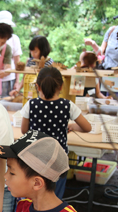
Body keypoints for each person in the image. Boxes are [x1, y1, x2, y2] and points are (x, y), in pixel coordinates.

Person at [20, 67, 92, 199]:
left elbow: (24, 131)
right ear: (61, 86)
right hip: (58, 159)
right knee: (55, 197)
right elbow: (87, 127)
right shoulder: (68, 105)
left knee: (34, 195)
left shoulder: (31, 104)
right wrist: (73, 126)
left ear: (38, 86)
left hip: (35, 158)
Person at [0, 11, 23, 97]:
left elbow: (17, 61)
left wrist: (17, 81)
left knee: (6, 103)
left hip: (9, 79)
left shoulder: (14, 39)